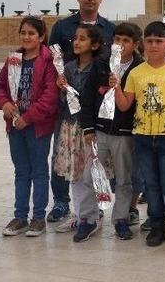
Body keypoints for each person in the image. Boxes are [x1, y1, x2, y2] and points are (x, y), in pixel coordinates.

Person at [113, 21, 165, 247]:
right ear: (143, 44)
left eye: (159, 41)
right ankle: (158, 226)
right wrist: (116, 88)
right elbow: (124, 106)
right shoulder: (135, 73)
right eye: (149, 41)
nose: (154, 45)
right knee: (151, 185)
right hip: (142, 137)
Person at [47, 0, 115, 225]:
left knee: (92, 159)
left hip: (94, 108)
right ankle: (62, 202)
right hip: (66, 105)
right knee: (63, 154)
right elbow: (51, 58)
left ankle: (93, 207)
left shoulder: (109, 28)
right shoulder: (63, 27)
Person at [0, 16, 59, 237]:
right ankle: (20, 217)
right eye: (23, 33)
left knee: (39, 170)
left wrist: (28, 117)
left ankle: (38, 217)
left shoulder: (49, 60)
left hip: (38, 126)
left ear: (41, 37)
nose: (26, 37)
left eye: (32, 33)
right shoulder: (13, 59)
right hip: (15, 125)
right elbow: (0, 86)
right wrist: (4, 104)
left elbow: (50, 96)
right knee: (21, 171)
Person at [79, 22, 144, 241]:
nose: (121, 44)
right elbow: (87, 97)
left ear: (135, 44)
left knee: (124, 180)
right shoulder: (101, 64)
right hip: (99, 131)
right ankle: (87, 219)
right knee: (90, 176)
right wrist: (88, 126)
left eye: (126, 41)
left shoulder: (140, 67)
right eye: (117, 39)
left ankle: (121, 219)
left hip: (125, 133)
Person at [52, 24, 101, 239]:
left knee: (89, 174)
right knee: (75, 174)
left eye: (83, 38)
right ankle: (80, 214)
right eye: (75, 38)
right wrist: (62, 88)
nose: (77, 42)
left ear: (95, 44)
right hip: (71, 126)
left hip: (89, 128)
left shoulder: (100, 68)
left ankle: (90, 218)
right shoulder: (69, 68)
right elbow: (65, 102)